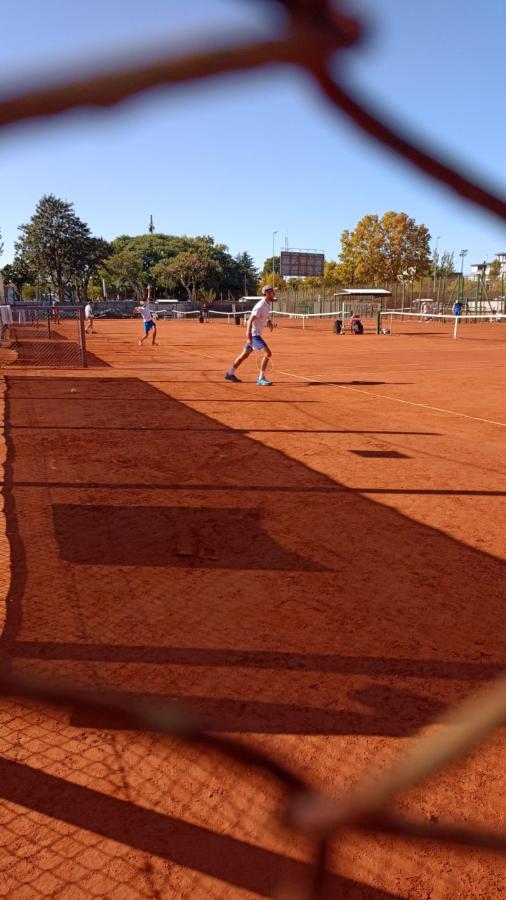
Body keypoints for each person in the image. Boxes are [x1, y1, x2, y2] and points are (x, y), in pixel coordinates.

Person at [225, 285, 275, 385]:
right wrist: (248, 336)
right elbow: (249, 321)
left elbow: (266, 318)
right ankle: (261, 378)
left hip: (255, 334)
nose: (274, 293)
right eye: (273, 292)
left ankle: (230, 373)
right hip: (254, 335)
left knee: (244, 356)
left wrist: (270, 323)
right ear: (267, 293)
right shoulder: (260, 305)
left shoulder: (267, 305)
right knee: (268, 353)